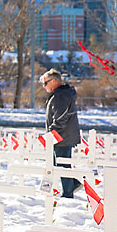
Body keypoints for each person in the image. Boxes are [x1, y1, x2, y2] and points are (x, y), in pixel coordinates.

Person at [41, 69, 80, 198]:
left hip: (61, 137)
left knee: (61, 165)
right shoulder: (60, 95)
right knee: (57, 164)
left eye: (45, 83)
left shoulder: (61, 96)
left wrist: (51, 133)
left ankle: (68, 193)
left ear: (54, 81)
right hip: (62, 136)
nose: (44, 86)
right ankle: (69, 187)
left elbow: (60, 118)